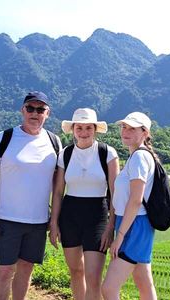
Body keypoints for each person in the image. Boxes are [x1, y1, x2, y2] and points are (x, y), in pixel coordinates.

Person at [0, 91, 62, 300]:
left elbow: (58, 184)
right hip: (9, 219)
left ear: (48, 113)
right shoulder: (5, 138)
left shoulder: (54, 142)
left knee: (26, 270)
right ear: (22, 110)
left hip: (38, 221)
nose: (35, 113)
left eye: (40, 109)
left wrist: (54, 221)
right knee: (5, 271)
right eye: (30, 108)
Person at [49, 108, 119, 300]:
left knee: (93, 278)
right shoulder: (65, 154)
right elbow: (57, 192)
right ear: (73, 129)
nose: (84, 132)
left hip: (98, 217)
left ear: (95, 129)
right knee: (76, 271)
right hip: (69, 216)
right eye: (79, 127)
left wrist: (110, 226)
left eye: (88, 127)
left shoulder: (108, 153)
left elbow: (115, 194)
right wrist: (54, 223)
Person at [101, 112, 157, 300]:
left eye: (132, 128)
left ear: (145, 132)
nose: (125, 131)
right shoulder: (137, 156)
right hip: (134, 224)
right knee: (144, 284)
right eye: (124, 127)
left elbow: (136, 199)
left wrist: (120, 236)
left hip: (134, 227)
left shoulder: (140, 158)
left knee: (109, 289)